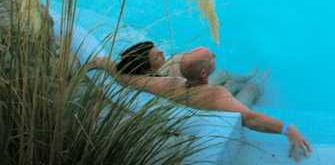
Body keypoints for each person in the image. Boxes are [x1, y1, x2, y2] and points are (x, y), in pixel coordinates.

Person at [90, 47, 312, 161]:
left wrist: (99, 62)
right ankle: (258, 83)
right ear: (205, 72)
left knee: (228, 80)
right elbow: (250, 119)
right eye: (211, 57)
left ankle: (241, 79)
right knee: (251, 89)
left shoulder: (170, 83)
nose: (214, 55)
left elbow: (124, 77)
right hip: (218, 107)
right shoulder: (217, 95)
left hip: (194, 94)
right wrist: (287, 129)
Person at [115, 41, 262, 106]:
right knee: (247, 87)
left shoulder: (151, 75)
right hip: (200, 97)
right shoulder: (159, 84)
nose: (161, 52)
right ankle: (254, 85)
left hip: (194, 89)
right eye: (156, 56)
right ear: (147, 69)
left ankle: (246, 78)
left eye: (157, 49)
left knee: (224, 74)